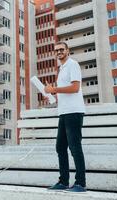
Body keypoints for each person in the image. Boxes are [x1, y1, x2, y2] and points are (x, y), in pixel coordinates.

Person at [44, 41, 86, 192]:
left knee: (75, 147)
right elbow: (64, 91)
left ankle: (80, 183)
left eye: (62, 49)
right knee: (60, 147)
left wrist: (54, 88)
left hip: (73, 111)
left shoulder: (72, 64)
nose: (59, 52)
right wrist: (52, 94)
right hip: (63, 112)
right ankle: (63, 182)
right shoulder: (61, 68)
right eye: (56, 50)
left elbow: (75, 88)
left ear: (68, 50)